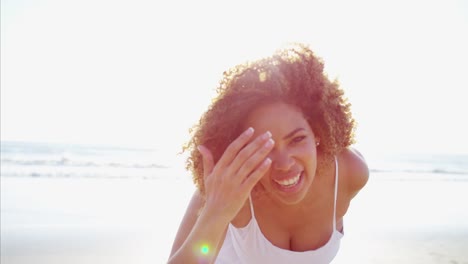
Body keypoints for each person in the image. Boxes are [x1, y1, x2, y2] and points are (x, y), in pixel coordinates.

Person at [168, 43, 369, 264]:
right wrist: (217, 211)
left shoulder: (350, 173)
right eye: (264, 147)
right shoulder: (226, 187)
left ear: (318, 132)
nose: (283, 164)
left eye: (297, 139)